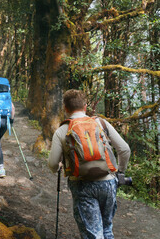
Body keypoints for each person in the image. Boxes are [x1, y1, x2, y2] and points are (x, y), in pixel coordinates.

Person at [48, 89, 131, 239]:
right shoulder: (100, 123)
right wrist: (120, 172)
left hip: (82, 186)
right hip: (108, 182)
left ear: (65, 108)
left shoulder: (62, 131)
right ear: (85, 106)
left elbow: (53, 164)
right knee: (106, 230)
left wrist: (59, 165)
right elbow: (124, 150)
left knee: (93, 234)